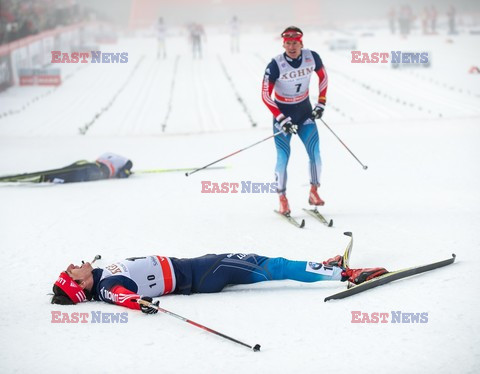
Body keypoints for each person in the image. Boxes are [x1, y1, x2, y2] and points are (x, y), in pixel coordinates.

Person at [51, 251, 388, 313]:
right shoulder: (108, 288)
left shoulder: (97, 275)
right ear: (80, 287)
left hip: (200, 267)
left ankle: (325, 267)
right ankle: (344, 274)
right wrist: (139, 303)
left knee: (269, 265)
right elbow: (122, 296)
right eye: (71, 273)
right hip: (203, 273)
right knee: (273, 266)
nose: (72, 265)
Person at [261, 26, 328, 215]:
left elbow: (323, 77)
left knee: (315, 154)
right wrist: (281, 119)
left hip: (305, 113)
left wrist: (321, 103)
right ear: (283, 44)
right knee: (283, 158)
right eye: (288, 43)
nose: (291, 47)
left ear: (301, 43)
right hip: (283, 115)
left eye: (295, 43)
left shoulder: (311, 57)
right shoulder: (275, 64)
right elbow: (265, 95)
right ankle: (282, 198)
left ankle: (314, 191)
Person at [0, 152, 132, 183]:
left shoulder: (110, 155)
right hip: (97, 169)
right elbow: (129, 164)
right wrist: (125, 172)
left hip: (89, 164)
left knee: (68, 171)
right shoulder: (122, 160)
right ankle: (49, 177)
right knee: (75, 175)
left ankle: (47, 176)